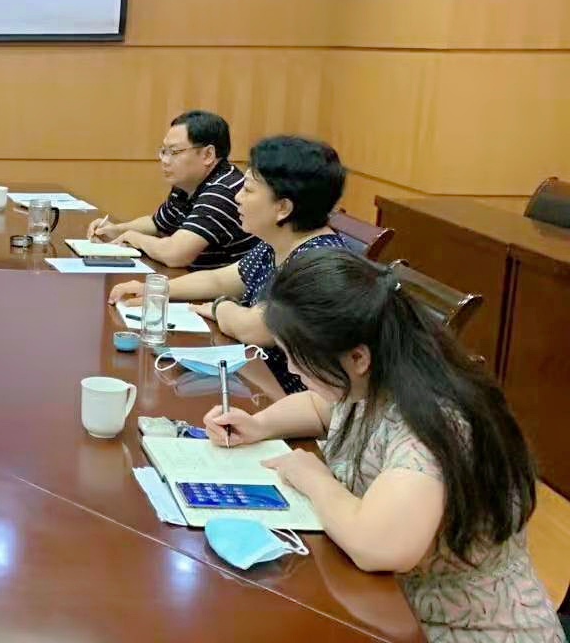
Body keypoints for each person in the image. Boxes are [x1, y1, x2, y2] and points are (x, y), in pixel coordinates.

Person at [203, 249, 561, 642]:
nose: (291, 370)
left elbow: (378, 546)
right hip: (394, 608)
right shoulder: (380, 374)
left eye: (298, 359)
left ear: (357, 357)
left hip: (463, 627)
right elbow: (320, 407)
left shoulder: (436, 425)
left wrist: (314, 478)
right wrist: (260, 425)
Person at [109, 135, 349, 394]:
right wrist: (156, 289)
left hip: (291, 399)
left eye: (248, 189)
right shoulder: (277, 243)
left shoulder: (320, 262)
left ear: (283, 207)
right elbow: (220, 279)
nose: (237, 197)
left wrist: (220, 306)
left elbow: (254, 328)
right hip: (255, 378)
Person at [89, 110, 255, 269]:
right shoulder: (187, 184)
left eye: (174, 152)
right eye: (164, 151)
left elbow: (175, 254)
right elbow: (158, 223)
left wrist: (134, 238)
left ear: (208, 155)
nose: (165, 161)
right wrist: (116, 230)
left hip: (222, 288)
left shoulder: (223, 190)